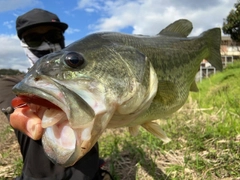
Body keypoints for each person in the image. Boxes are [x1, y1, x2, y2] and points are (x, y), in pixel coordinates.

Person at [0, 8, 112, 180]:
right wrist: (21, 112)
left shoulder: (88, 79)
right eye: (34, 39)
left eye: (53, 35)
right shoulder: (10, 83)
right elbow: (15, 105)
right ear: (23, 43)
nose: (46, 43)